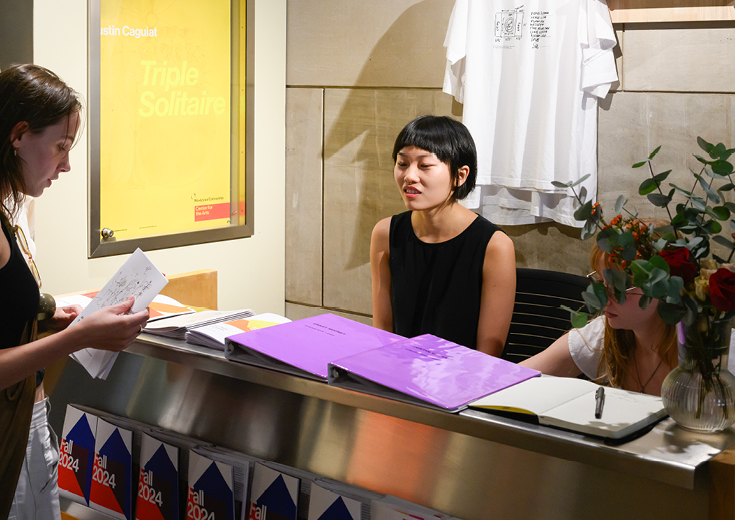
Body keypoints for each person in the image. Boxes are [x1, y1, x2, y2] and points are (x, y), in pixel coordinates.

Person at [0, 64, 149, 520]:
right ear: (19, 135)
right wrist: (80, 337)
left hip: (29, 421)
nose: (65, 165)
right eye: (60, 147)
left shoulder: (9, 211)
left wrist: (46, 316)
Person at [370, 115, 516, 356]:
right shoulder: (385, 233)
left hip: (465, 383)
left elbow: (488, 356)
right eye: (402, 163)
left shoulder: (494, 245)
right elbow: (383, 335)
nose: (409, 176)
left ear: (460, 175)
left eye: (424, 165)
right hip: (400, 379)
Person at [520, 244, 678, 396]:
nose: (602, 298)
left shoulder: (695, 353)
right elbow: (513, 379)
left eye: (617, 287)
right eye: (600, 283)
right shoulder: (604, 335)